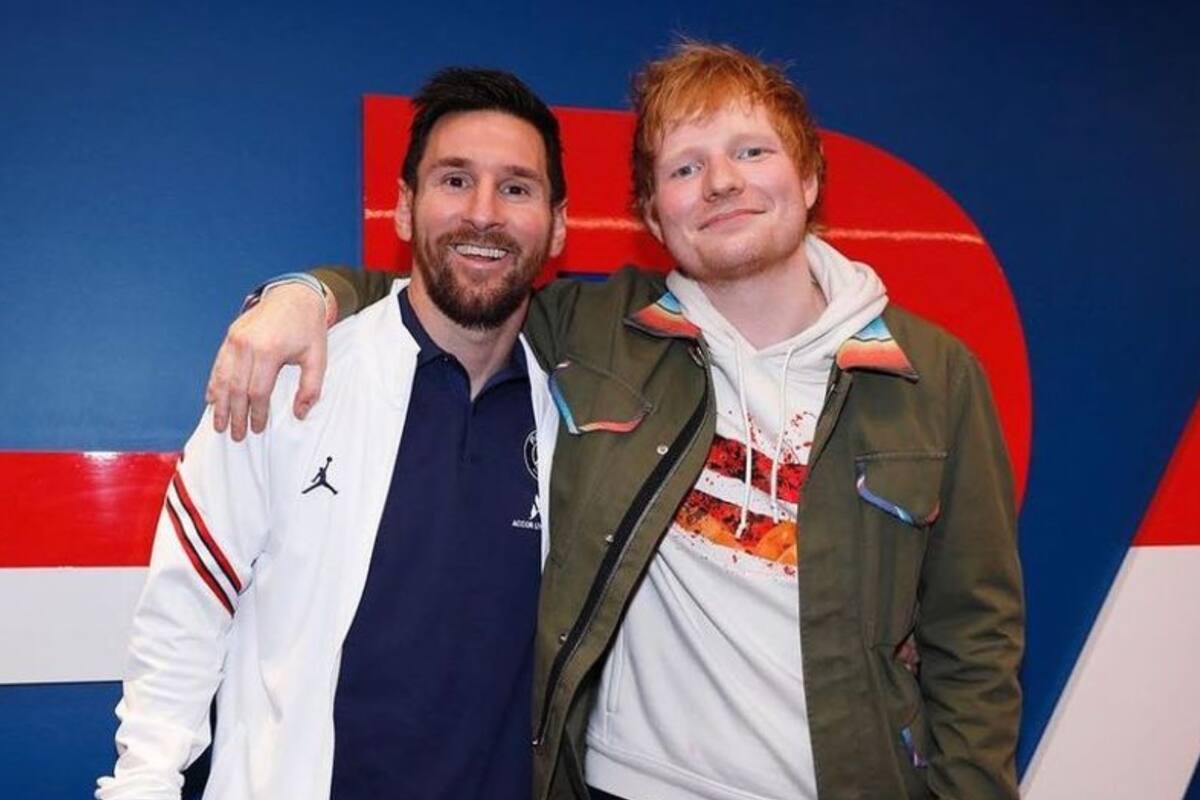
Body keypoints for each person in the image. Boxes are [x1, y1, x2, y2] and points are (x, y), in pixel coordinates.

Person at [207, 43, 1024, 800]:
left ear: (809, 177)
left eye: (751, 152)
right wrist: (304, 295)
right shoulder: (597, 332)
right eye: (686, 167)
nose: (722, 183)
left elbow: (976, 640)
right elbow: (445, 292)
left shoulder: (934, 375)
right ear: (653, 215)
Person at [97, 68, 568, 800]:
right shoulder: (286, 377)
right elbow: (184, 611)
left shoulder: (574, 411)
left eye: (516, 187)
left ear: (558, 223)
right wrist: (143, 786)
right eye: (454, 180)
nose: (483, 213)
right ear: (404, 208)